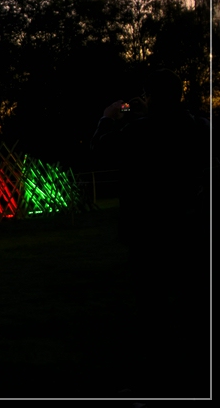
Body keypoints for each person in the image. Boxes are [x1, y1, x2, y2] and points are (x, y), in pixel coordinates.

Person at [91, 69, 210, 397]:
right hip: (190, 227)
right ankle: (194, 373)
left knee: (152, 307)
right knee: (192, 305)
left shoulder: (138, 131)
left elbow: (101, 150)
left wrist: (108, 118)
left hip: (148, 231)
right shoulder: (198, 127)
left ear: (152, 96)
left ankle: (157, 377)